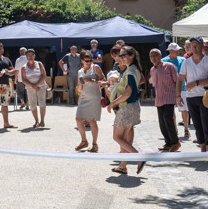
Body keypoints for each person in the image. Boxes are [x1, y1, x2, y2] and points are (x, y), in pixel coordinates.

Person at [107, 47, 144, 175]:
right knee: (124, 139)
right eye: (120, 56)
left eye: (123, 55)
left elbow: (127, 93)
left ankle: (138, 157)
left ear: (132, 55)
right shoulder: (134, 70)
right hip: (134, 106)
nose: (121, 58)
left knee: (117, 137)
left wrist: (112, 103)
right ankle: (123, 166)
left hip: (127, 107)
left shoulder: (130, 71)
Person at [181, 37, 208, 151]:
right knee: (197, 124)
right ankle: (203, 147)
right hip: (191, 96)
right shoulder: (186, 62)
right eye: (192, 45)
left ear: (202, 46)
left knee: (206, 123)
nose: (194, 47)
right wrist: (178, 95)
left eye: (197, 45)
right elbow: (180, 78)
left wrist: (196, 83)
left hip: (205, 96)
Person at [147, 48, 182, 152]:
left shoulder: (169, 66)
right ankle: (168, 142)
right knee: (162, 122)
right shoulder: (152, 70)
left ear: (160, 56)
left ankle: (176, 142)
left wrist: (178, 96)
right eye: (151, 56)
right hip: (159, 98)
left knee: (168, 119)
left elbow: (177, 81)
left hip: (169, 97)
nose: (153, 58)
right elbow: (154, 85)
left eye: (155, 55)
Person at [74, 49, 104, 152]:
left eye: (91, 60)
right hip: (84, 96)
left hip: (94, 97)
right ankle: (84, 141)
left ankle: (95, 144)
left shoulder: (95, 68)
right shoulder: (80, 71)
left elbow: (104, 81)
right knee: (78, 119)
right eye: (87, 61)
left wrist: (93, 80)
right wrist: (80, 84)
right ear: (82, 60)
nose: (89, 62)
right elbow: (78, 88)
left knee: (92, 121)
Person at [19, 48, 49, 127]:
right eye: (28, 55)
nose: (30, 57)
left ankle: (42, 121)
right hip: (30, 88)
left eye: (32, 55)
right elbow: (23, 79)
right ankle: (36, 121)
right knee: (33, 104)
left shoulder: (39, 64)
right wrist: (33, 86)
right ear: (26, 57)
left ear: (35, 56)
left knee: (42, 103)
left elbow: (44, 75)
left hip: (41, 86)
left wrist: (37, 85)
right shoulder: (24, 67)